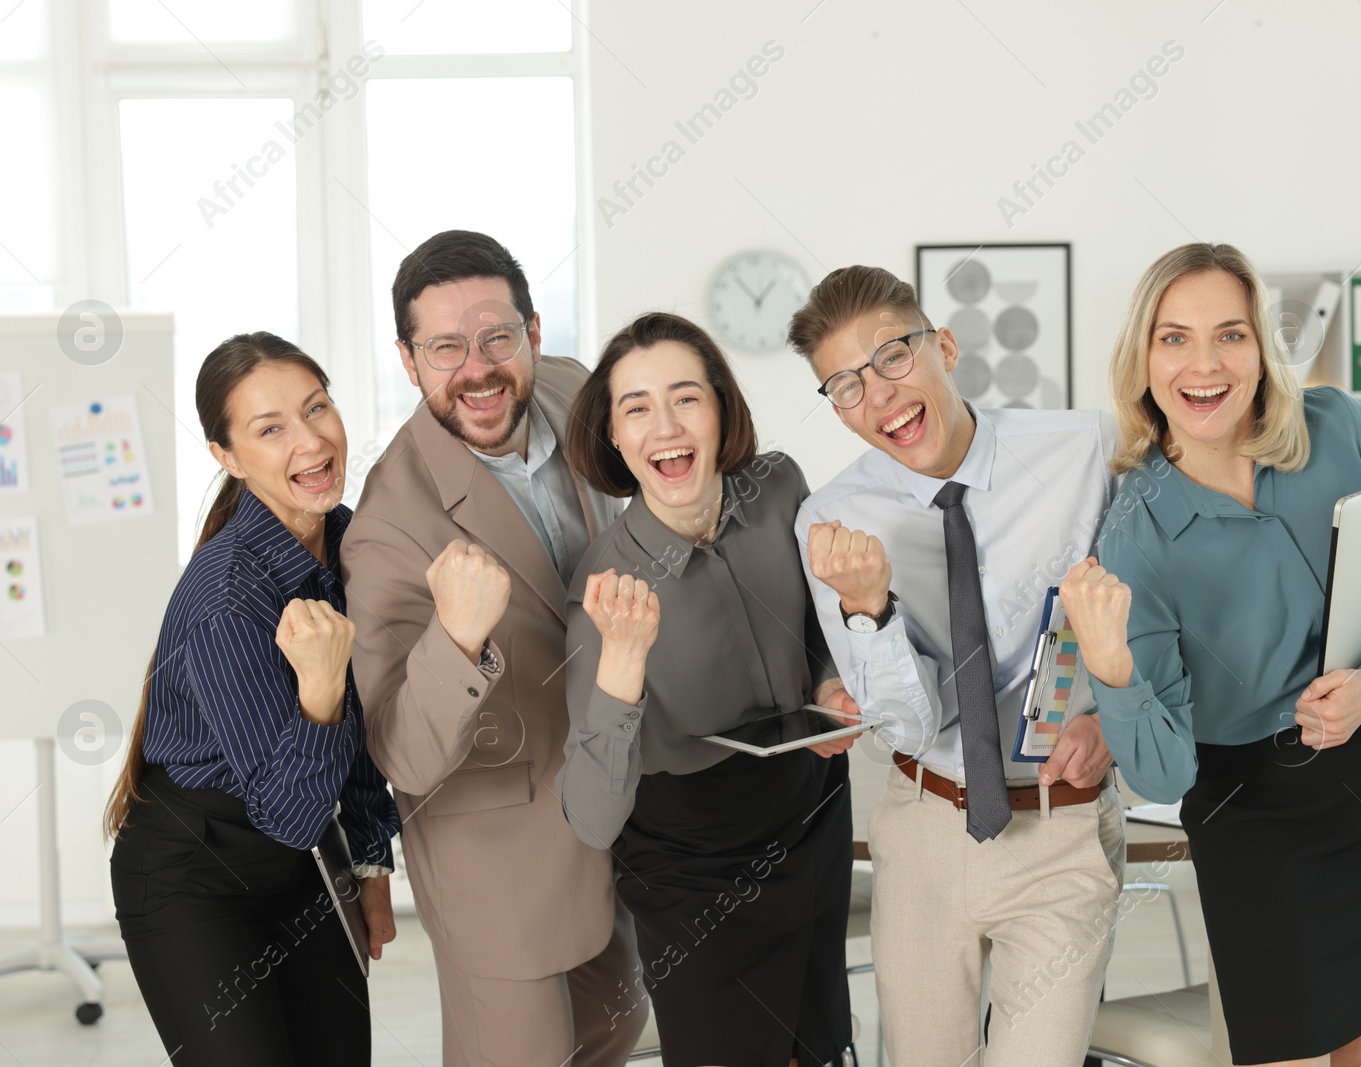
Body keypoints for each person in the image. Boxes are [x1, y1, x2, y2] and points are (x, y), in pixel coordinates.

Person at [1059, 242, 1361, 1066]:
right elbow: (1165, 773)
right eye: (1174, 337)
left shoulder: (1337, 426)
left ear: (1262, 347)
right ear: (1143, 357)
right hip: (1250, 813)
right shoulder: (1136, 531)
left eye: (1231, 334)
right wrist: (1111, 670)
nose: (1205, 363)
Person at [788, 266, 1126, 1066]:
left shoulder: (1086, 449)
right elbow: (905, 724)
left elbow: (1167, 605)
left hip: (1061, 821)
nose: (877, 396)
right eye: (844, 385)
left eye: (892, 358)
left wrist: (1118, 716)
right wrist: (869, 609)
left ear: (944, 345)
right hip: (923, 829)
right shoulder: (831, 520)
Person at [341, 231, 643, 1066]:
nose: (475, 369)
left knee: (615, 1026)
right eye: (444, 347)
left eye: (495, 338)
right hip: (499, 855)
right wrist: (457, 635)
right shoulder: (388, 524)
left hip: (613, 805)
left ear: (534, 333)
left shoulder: (579, 392)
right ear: (409, 361)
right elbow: (399, 747)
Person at [556, 311, 858, 1067]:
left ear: (722, 408)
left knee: (816, 1049)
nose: (665, 425)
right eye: (636, 408)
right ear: (615, 439)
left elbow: (818, 623)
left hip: (810, 808)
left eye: (686, 397)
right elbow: (592, 818)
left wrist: (828, 679)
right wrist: (623, 662)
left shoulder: (781, 483)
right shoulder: (602, 587)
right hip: (694, 863)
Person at [106, 332, 400, 1067]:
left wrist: (369, 864)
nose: (310, 441)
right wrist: (321, 689)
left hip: (300, 865)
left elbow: (360, 733)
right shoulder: (228, 597)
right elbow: (289, 808)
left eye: (317, 408)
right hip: (192, 877)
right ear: (227, 457)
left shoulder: (346, 539)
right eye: (271, 429)